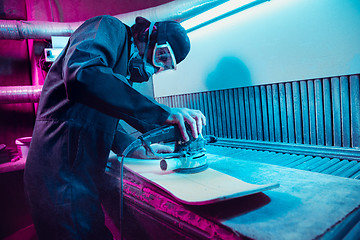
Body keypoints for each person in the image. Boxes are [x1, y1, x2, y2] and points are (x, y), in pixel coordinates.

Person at [24, 15, 206, 239]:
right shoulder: (108, 27)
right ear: (144, 33)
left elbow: (99, 120)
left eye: (164, 67)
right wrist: (162, 113)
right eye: (160, 56)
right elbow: (82, 75)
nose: (155, 69)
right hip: (59, 173)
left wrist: (137, 146)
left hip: (77, 175)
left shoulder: (119, 70)